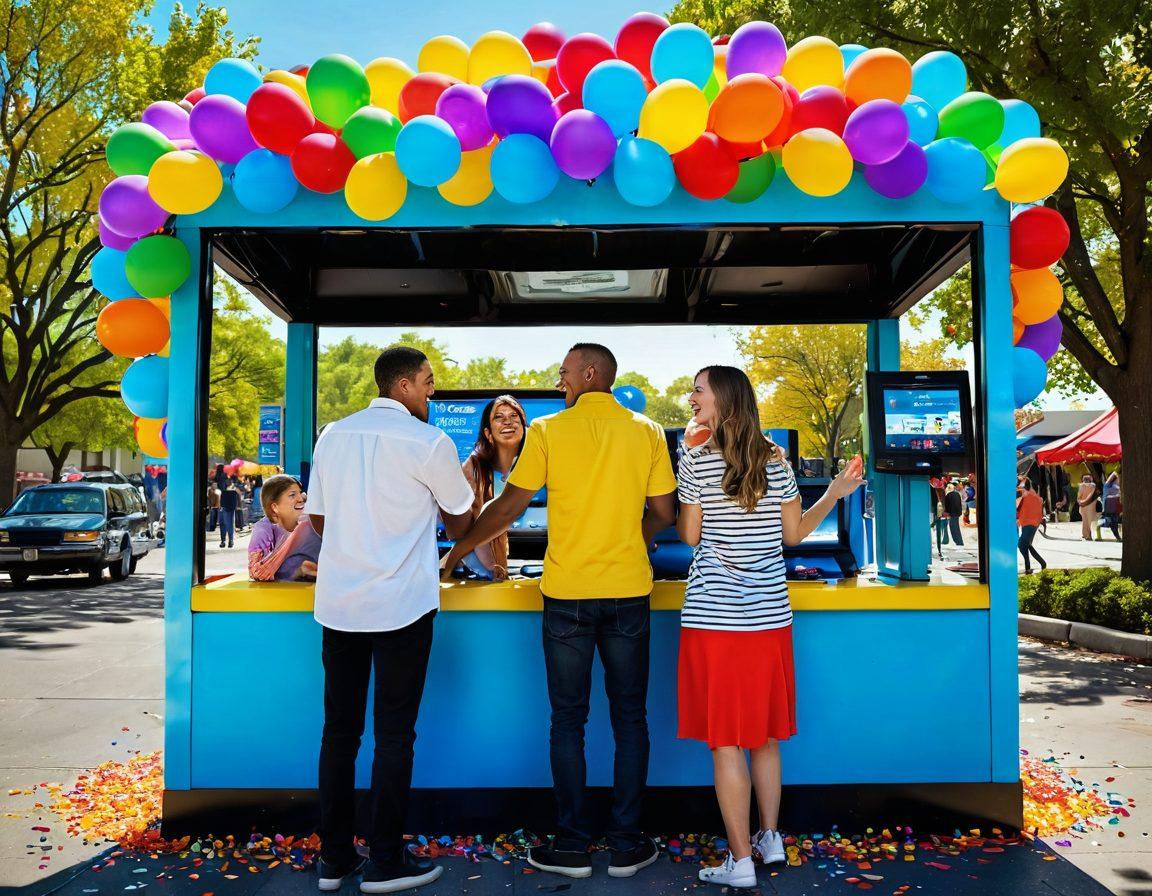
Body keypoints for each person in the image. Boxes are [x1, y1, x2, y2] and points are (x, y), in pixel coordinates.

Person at [441, 343, 676, 880]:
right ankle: (626, 844)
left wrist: (455, 552)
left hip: (567, 595)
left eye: (565, 373)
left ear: (590, 373)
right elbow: (664, 512)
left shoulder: (548, 430)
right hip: (628, 593)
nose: (560, 381)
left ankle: (571, 845)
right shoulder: (646, 431)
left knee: (569, 719)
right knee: (631, 718)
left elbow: (508, 506)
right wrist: (630, 539)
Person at [675, 367, 865, 888]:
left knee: (725, 741)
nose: (691, 398)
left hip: (713, 617)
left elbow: (690, 537)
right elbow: (795, 533)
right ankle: (771, 836)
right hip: (768, 618)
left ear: (724, 400)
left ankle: (739, 864)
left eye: (698, 390)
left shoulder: (694, 459)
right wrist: (836, 492)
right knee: (763, 736)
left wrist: (688, 476)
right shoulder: (775, 461)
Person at [307, 346, 475, 894]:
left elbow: (319, 517)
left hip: (340, 605)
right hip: (403, 605)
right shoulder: (430, 442)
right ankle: (385, 861)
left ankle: (334, 860)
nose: (432, 391)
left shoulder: (333, 434)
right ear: (403, 385)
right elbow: (461, 515)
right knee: (394, 735)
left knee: (339, 732)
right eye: (427, 381)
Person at [455, 396, 527, 581]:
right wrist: (493, 569)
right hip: (477, 570)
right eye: (499, 417)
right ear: (488, 433)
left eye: (514, 415)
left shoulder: (536, 460)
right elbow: (475, 529)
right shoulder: (473, 467)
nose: (507, 421)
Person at [248, 474, 321, 581]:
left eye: (300, 493)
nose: (301, 498)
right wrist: (295, 538)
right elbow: (256, 572)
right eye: (292, 495)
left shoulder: (310, 521)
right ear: (275, 507)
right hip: (280, 591)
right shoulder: (263, 529)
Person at [1016, 480, 1047, 574]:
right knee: (1026, 544)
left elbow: (1020, 509)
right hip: (1031, 524)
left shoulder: (1027, 496)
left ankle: (1041, 563)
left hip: (1029, 524)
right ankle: (1029, 567)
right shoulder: (1036, 497)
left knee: (1022, 545)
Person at [929, 476, 949, 559]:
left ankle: (939, 549)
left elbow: (941, 502)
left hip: (936, 511)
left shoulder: (938, 489)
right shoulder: (939, 489)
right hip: (936, 511)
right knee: (938, 531)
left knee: (938, 532)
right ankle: (938, 549)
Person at [1098, 472, 1121, 541]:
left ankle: (1118, 537)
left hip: (1115, 508)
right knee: (1109, 522)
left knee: (1114, 522)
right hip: (1108, 508)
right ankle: (1098, 527)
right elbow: (1114, 473)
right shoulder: (1107, 486)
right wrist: (1117, 472)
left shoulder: (1118, 485)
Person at [1077, 474, 1098, 541]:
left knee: (1084, 521)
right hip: (1090, 506)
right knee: (1089, 521)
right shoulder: (1093, 486)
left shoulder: (1081, 486)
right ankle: (1088, 535)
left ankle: (1085, 534)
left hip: (1083, 506)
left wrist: (1080, 502)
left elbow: (1079, 496)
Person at [218, 478, 238, 548]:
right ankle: (228, 541)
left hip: (226, 508)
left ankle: (226, 541)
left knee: (225, 525)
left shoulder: (229, 490)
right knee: (228, 525)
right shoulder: (234, 490)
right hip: (227, 508)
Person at [943, 482, 964, 547]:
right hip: (957, 513)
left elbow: (947, 505)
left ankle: (958, 542)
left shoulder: (948, 495)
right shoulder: (957, 494)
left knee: (953, 528)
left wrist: (947, 512)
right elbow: (960, 504)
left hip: (952, 513)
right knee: (956, 527)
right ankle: (959, 542)